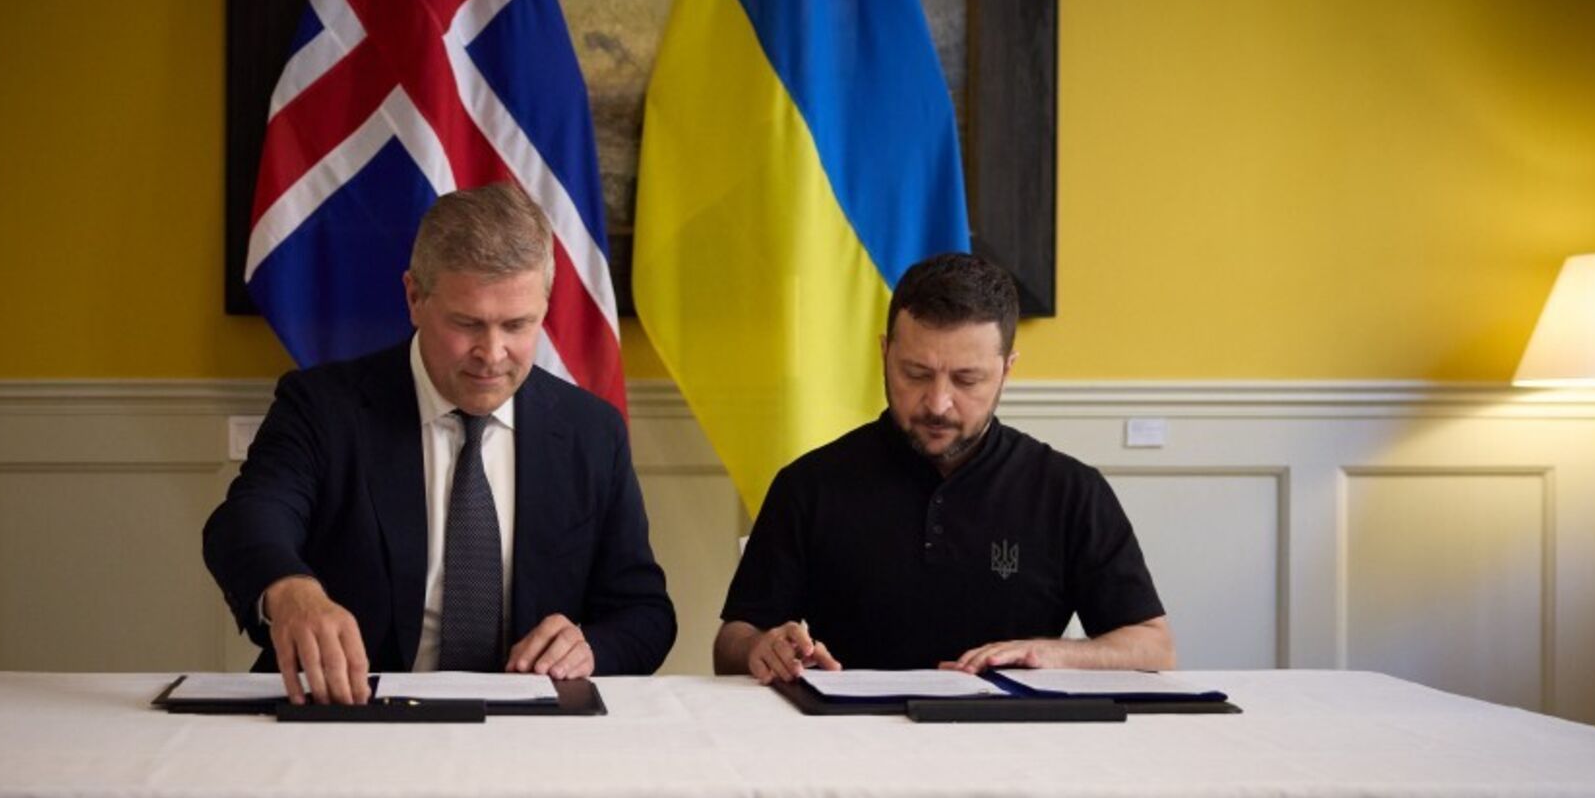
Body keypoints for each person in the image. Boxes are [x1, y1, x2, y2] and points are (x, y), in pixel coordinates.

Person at [205, 183, 676, 704]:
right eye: (467, 323)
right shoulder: (324, 408)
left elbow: (645, 613)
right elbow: (245, 522)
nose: (492, 354)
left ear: (545, 308)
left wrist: (590, 648)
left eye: (517, 325)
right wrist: (290, 590)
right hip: (350, 716)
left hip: (529, 731)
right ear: (414, 298)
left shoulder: (591, 431)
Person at [715, 253, 1175, 682]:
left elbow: (1153, 647)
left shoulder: (1070, 490)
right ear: (883, 353)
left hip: (1020, 745)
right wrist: (761, 645)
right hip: (851, 744)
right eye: (915, 374)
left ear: (1007, 370)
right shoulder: (809, 484)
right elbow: (732, 641)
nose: (938, 403)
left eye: (966, 379)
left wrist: (1052, 653)